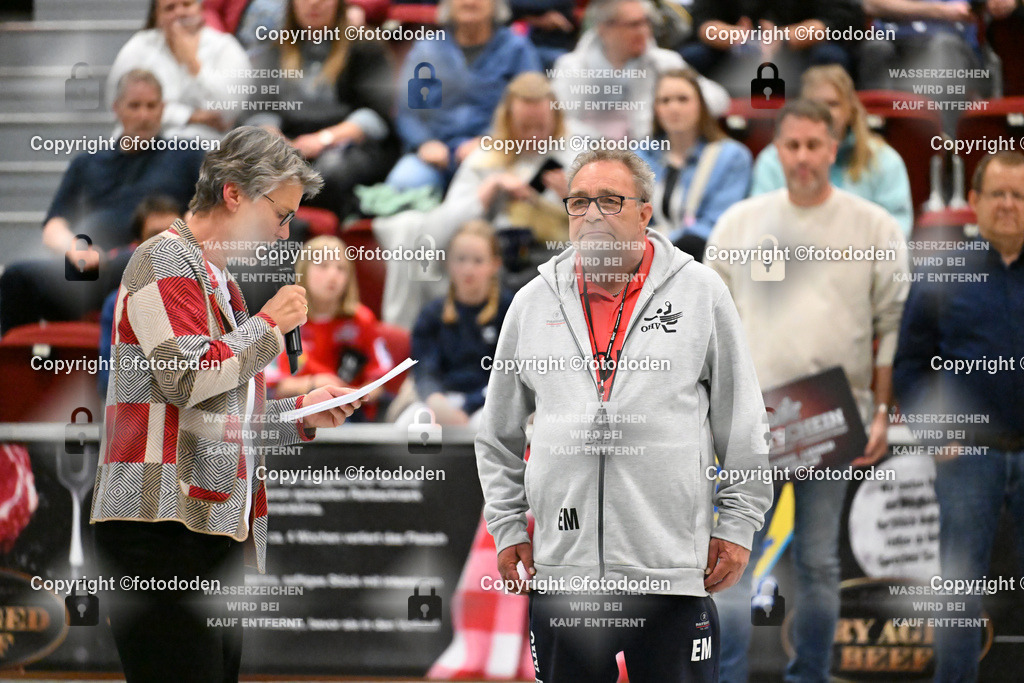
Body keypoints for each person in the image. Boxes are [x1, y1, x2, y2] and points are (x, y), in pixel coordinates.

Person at [475, 147, 773, 681]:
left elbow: (744, 422)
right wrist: (507, 526)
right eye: (579, 202)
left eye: (610, 201)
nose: (592, 214)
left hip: (671, 572)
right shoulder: (531, 302)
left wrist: (739, 523)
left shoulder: (701, 293)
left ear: (644, 212)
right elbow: (496, 434)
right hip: (565, 575)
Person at [90, 126, 360, 683]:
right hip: (156, 523)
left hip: (205, 526)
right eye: (281, 214)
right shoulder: (163, 260)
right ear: (234, 193)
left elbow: (225, 418)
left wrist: (301, 413)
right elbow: (186, 379)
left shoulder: (221, 282)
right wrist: (269, 324)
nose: (285, 235)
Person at [705, 99, 910, 683]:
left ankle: (811, 677)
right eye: (790, 146)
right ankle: (726, 677)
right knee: (731, 563)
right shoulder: (739, 223)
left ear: (835, 145)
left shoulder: (874, 226)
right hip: (750, 423)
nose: (801, 158)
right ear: (775, 148)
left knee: (819, 564)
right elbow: (709, 329)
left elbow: (891, 325)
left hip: (833, 419)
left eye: (813, 145)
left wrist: (881, 410)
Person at [892, 150, 1024, 683]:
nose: (1009, 205)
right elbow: (910, 363)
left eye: (1019, 195)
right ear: (973, 201)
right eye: (998, 194)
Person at [0, 69, 204, 335]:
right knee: (17, 277)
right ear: (116, 108)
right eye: (135, 106)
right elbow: (54, 225)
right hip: (91, 270)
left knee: (131, 261)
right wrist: (77, 250)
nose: (144, 115)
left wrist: (171, 238)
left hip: (154, 263)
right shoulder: (88, 162)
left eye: (151, 106)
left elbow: (204, 210)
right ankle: (22, 369)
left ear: (162, 109)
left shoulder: (186, 157)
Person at [374, 72, 572, 329]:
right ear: (508, 121)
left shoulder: (574, 159)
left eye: (541, 128)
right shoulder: (485, 159)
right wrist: (488, 190)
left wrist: (574, 200)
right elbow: (441, 229)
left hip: (553, 260)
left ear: (555, 121)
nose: (534, 137)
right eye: (525, 128)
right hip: (495, 263)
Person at [246, 0, 399, 219]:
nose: (313, 4)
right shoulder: (275, 48)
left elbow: (376, 115)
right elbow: (259, 109)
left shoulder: (365, 46)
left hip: (348, 144)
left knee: (327, 171)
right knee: (250, 163)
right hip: (288, 143)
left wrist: (324, 139)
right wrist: (276, 141)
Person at [387, 0, 542, 193]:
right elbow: (408, 111)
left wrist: (490, 139)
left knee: (499, 189)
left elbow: (533, 110)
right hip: (435, 153)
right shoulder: (426, 48)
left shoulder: (517, 48)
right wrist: (424, 142)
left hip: (497, 151)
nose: (470, 2)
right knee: (404, 182)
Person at [750, 65, 914, 236]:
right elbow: (760, 223)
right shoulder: (773, 158)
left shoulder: (884, 159)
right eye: (816, 104)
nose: (824, 112)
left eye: (833, 104)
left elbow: (897, 230)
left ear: (850, 109)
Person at [551, 0, 729, 141]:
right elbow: (559, 123)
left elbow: (718, 99)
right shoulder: (572, 67)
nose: (643, 31)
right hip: (588, 160)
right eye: (633, 25)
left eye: (646, 22)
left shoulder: (664, 62)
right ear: (604, 29)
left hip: (652, 161)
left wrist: (664, 115)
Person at [396, 220, 513, 428]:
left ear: (495, 265)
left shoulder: (510, 310)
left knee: (486, 428)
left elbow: (509, 374)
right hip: (442, 400)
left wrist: (469, 406)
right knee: (407, 425)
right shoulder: (432, 313)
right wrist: (435, 401)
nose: (468, 269)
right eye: (461, 259)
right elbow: (424, 368)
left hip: (489, 401)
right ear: (448, 263)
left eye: (478, 261)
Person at [266, 235, 394, 422]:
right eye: (323, 266)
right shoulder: (285, 319)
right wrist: (316, 384)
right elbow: (272, 385)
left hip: (350, 414)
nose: (333, 275)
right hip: (296, 413)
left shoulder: (361, 319)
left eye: (341, 268)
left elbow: (379, 381)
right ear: (303, 271)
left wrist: (353, 396)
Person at [638, 68, 752, 260]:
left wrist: (660, 244)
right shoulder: (638, 155)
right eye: (665, 101)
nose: (674, 108)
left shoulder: (732, 156)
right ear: (655, 109)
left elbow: (718, 224)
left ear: (701, 105)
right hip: (644, 255)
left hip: (703, 256)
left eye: (683, 99)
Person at [107, 0, 252, 139]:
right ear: (157, 15)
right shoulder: (138, 47)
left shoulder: (226, 47)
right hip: (144, 145)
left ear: (200, 9)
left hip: (204, 147)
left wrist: (193, 63)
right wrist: (190, 116)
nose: (180, 12)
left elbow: (227, 112)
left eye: (187, 4)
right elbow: (117, 103)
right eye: (170, 8)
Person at [98, 195, 185, 395]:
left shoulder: (211, 293)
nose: (166, 243)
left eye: (174, 233)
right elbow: (109, 381)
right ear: (138, 246)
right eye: (155, 236)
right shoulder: (117, 304)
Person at [682, 0, 859, 96]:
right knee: (691, 57)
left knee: (830, 57)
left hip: (801, 49)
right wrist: (735, 36)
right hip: (735, 49)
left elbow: (838, 20)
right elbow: (702, 21)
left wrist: (784, 37)